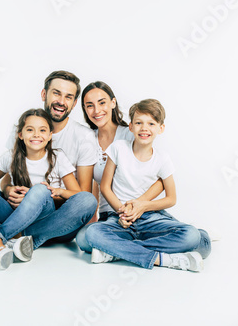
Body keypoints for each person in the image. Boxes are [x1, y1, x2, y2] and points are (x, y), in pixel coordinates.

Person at [85, 99, 211, 272]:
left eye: (151, 123)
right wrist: (123, 212)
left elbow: (171, 198)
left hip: (150, 217)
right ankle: (163, 258)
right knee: (88, 236)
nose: (144, 128)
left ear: (161, 128)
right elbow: (105, 187)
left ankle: (118, 251)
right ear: (130, 127)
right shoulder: (119, 148)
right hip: (119, 217)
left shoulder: (162, 158)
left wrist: (142, 206)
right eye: (138, 123)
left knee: (193, 236)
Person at [0, 108, 83, 270]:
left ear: (49, 136)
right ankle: (1, 244)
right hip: (12, 213)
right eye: (29, 130)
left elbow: (77, 194)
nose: (36, 134)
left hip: (43, 216)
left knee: (40, 191)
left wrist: (54, 191)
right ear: (20, 134)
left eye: (42, 130)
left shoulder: (58, 158)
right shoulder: (11, 156)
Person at [0, 71, 98, 247]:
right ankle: (25, 239)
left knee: (88, 200)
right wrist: (7, 190)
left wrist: (38, 197)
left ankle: (1, 236)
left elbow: (81, 194)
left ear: (74, 103)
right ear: (44, 94)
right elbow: (9, 172)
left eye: (68, 97)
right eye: (56, 93)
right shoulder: (24, 126)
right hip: (18, 211)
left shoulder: (84, 136)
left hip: (59, 219)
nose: (61, 101)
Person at [75, 81, 164, 252]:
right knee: (83, 239)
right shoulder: (87, 139)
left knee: (195, 239)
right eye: (89, 106)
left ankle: (117, 250)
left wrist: (138, 205)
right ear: (85, 110)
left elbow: (160, 177)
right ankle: (134, 248)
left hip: (140, 211)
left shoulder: (131, 132)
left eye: (102, 103)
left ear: (113, 103)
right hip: (110, 215)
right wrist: (92, 220)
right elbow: (94, 184)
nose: (97, 110)